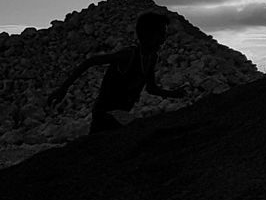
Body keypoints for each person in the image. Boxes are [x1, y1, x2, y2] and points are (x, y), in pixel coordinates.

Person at [46, 10, 184, 133]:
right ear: (148, 34)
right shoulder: (129, 55)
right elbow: (90, 62)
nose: (163, 39)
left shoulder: (151, 58)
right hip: (105, 115)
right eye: (161, 34)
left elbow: (151, 88)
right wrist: (63, 89)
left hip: (121, 114)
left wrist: (174, 94)